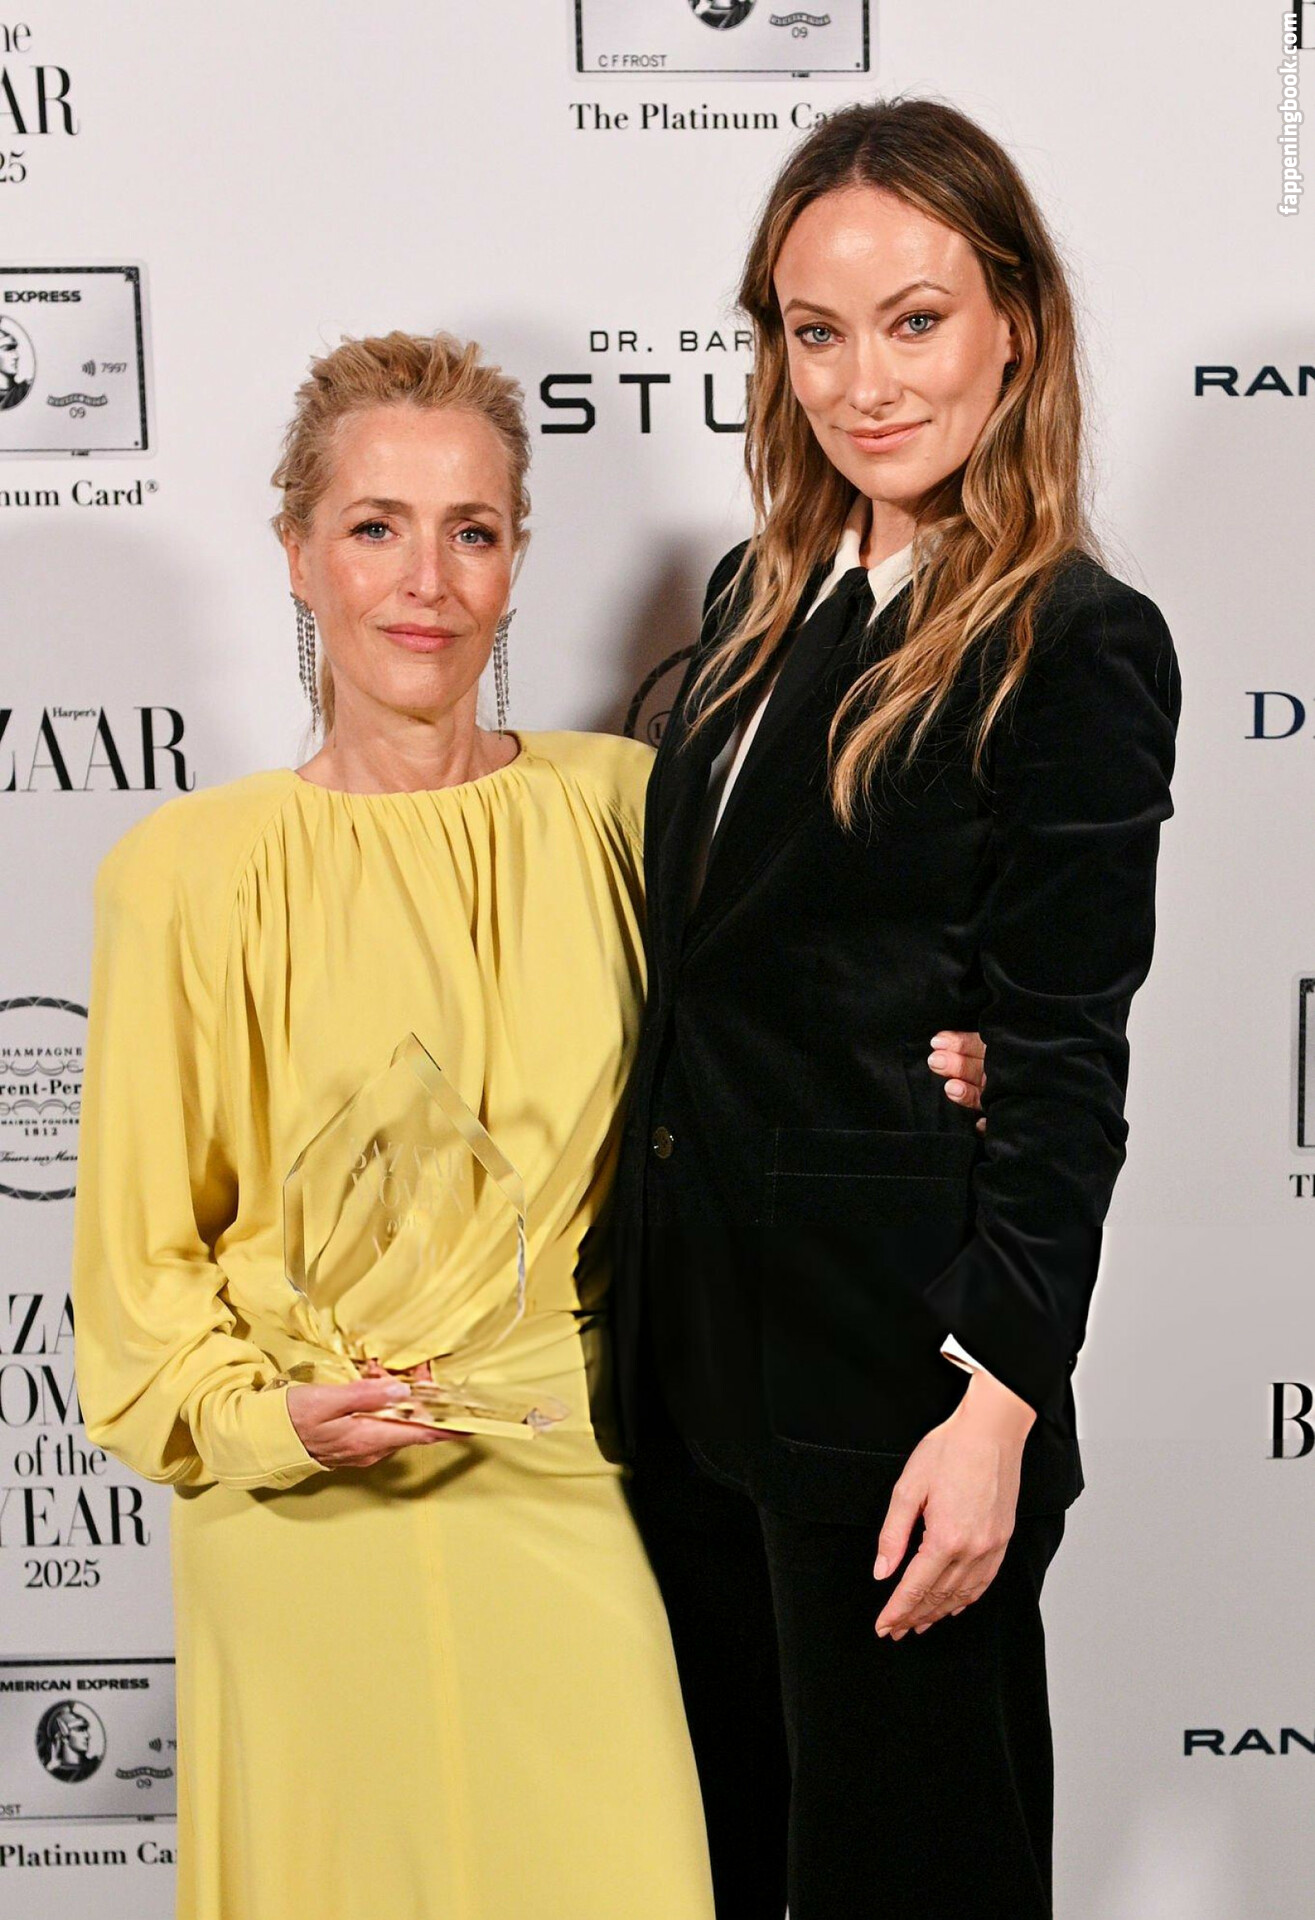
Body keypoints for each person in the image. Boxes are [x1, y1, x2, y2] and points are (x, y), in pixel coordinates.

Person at [616, 98, 1181, 1919]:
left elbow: (1066, 1063)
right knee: (727, 1866)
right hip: (693, 1372)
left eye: (916, 320)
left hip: (897, 1393)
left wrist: (998, 1402)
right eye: (818, 331)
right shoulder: (753, 602)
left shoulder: (1071, 642)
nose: (866, 384)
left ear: (1016, 324)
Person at [71, 331, 717, 1920]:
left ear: (515, 562)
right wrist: (263, 1423)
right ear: (298, 553)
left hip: (570, 1479)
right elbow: (141, 1260)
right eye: (376, 526)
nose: (426, 581)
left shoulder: (624, 813)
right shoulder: (186, 874)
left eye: (471, 530)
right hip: (300, 1523)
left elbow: (793, 1054)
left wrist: (960, 1052)